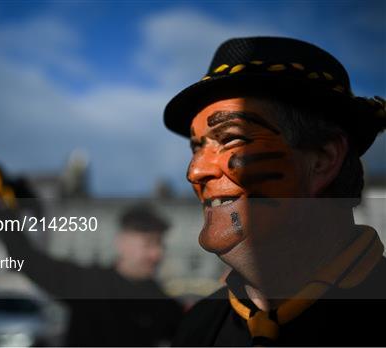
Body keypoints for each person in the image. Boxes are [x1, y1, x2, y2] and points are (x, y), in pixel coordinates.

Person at [163, 37, 386, 346]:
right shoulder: (199, 327)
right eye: (197, 147)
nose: (195, 172)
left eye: (230, 138)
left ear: (322, 159)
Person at [0, 203, 183, 346]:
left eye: (161, 245)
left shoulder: (165, 305)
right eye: (149, 243)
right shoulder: (88, 284)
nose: (157, 254)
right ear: (122, 243)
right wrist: (1, 208)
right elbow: (27, 259)